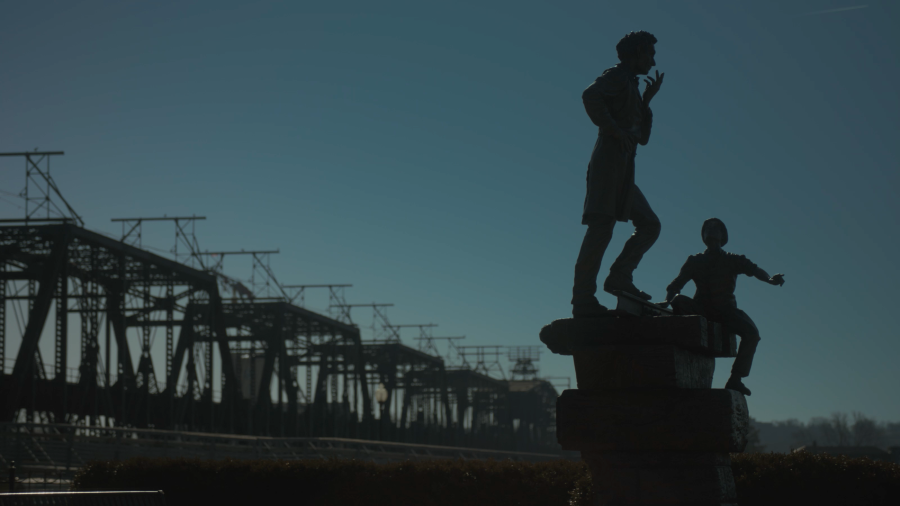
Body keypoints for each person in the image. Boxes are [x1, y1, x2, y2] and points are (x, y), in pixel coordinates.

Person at [572, 30, 665, 318]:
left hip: (625, 166)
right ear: (636, 53)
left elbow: (642, 138)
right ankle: (583, 299)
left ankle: (619, 276)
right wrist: (613, 129)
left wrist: (646, 102)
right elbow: (590, 96)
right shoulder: (616, 76)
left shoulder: (632, 86)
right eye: (649, 53)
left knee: (650, 224)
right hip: (608, 163)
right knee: (601, 230)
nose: (653, 60)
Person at [662, 218, 785, 396]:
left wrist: (770, 280)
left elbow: (755, 270)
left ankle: (736, 379)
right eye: (707, 228)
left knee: (752, 334)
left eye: (715, 228)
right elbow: (676, 285)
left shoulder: (733, 260)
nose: (711, 231)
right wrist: (667, 301)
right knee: (678, 301)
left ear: (722, 235)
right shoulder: (695, 260)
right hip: (702, 308)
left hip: (726, 311)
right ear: (703, 235)